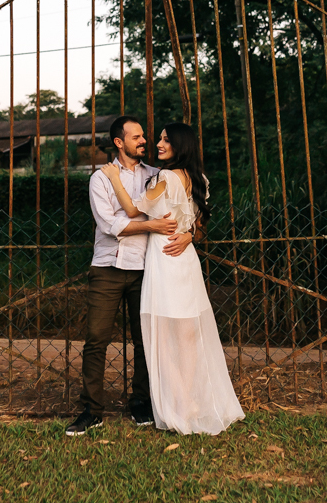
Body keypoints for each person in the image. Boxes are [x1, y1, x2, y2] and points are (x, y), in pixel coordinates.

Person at [100, 122, 244, 435]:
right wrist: (189, 234)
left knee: (165, 335)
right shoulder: (199, 178)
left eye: (166, 139)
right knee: (188, 334)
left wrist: (114, 178)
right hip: (186, 259)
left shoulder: (165, 177)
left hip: (165, 258)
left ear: (180, 145)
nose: (158, 143)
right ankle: (191, 400)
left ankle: (182, 404)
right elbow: (199, 224)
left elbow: (133, 210)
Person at [65, 115, 192, 437]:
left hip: (147, 269)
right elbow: (109, 224)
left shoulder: (157, 174)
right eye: (137, 137)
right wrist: (150, 225)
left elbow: (186, 209)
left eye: (144, 136)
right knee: (96, 340)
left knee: (145, 339)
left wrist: (189, 234)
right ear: (119, 142)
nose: (145, 141)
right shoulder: (100, 178)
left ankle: (141, 402)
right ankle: (92, 411)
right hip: (107, 267)